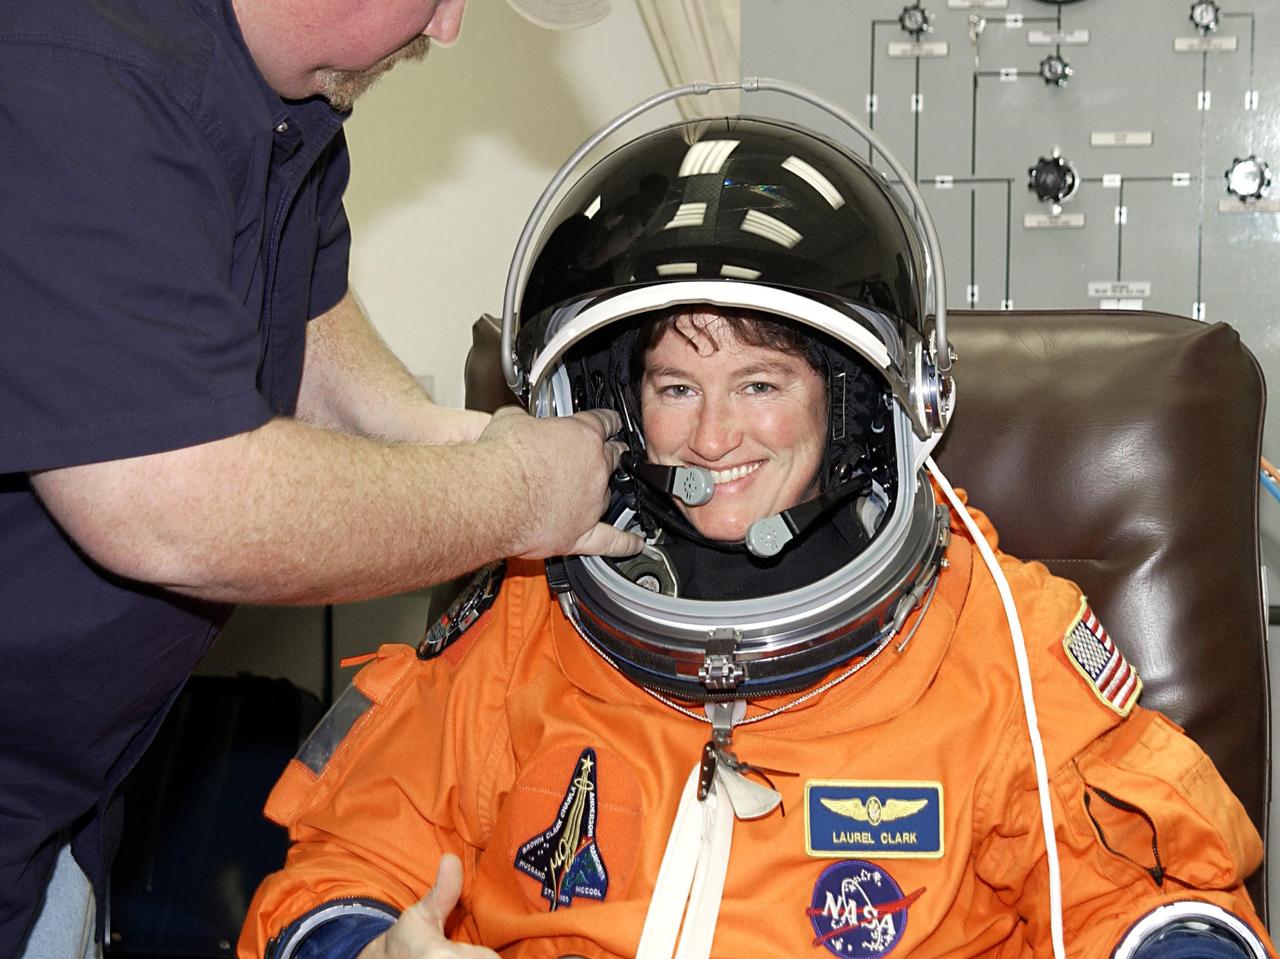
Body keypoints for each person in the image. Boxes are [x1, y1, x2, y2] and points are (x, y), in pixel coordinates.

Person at [238, 115, 1274, 959]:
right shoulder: (519, 617)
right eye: (675, 387)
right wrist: (362, 947)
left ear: (856, 407)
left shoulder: (997, 640)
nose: (714, 434)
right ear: (618, 407)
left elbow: (1153, 891)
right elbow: (340, 864)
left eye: (761, 384)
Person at [0, 0, 644, 955]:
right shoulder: (81, 70)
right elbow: (172, 504)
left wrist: (449, 436)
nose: (452, 26)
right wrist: (509, 497)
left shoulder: (281, 105)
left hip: (56, 807)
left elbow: (301, 322)